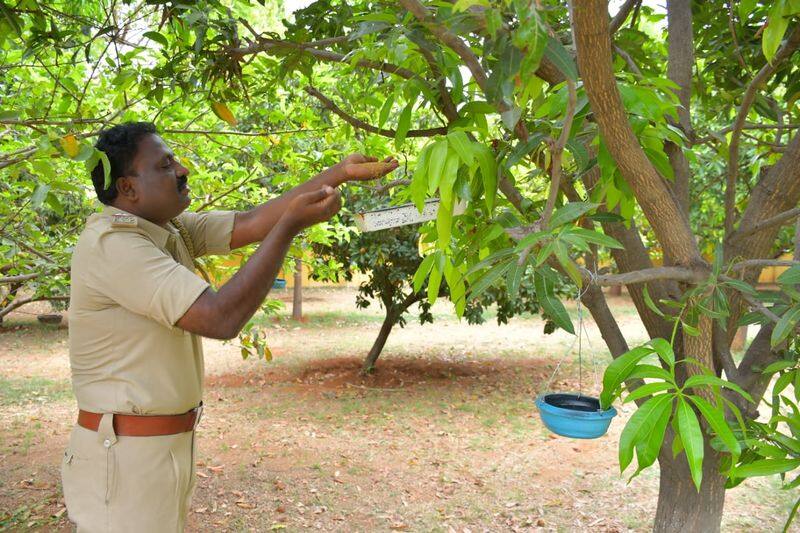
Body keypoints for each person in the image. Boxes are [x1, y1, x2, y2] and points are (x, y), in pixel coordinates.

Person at [62, 121, 398, 532]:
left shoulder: (167, 230)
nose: (182, 170)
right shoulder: (115, 245)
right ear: (128, 188)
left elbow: (254, 221)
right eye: (165, 166)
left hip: (155, 447)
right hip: (125, 454)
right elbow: (220, 317)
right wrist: (289, 228)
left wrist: (339, 174)